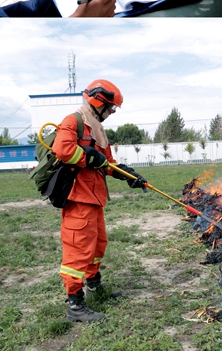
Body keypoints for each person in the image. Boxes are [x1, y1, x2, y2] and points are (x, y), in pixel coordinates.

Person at [50, 80, 147, 323]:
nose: (112, 113)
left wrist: (127, 175)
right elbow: (62, 151)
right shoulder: (74, 121)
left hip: (94, 200)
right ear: (99, 102)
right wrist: (86, 158)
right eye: (111, 108)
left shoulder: (97, 128)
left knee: (96, 246)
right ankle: (75, 305)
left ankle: (94, 285)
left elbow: (106, 162)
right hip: (77, 198)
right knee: (77, 250)